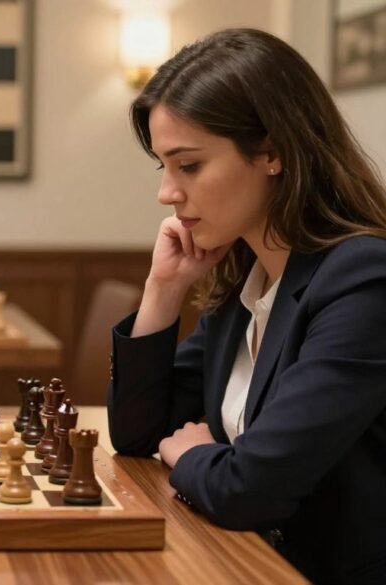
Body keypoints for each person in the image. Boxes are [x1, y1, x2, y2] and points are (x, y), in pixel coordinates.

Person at [107, 28, 386, 583]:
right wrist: (163, 291)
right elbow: (139, 435)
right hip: (245, 563)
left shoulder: (363, 280)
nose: (167, 192)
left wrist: (190, 457)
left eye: (188, 166)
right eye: (163, 167)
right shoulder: (251, 279)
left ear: (273, 153)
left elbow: (250, 489)